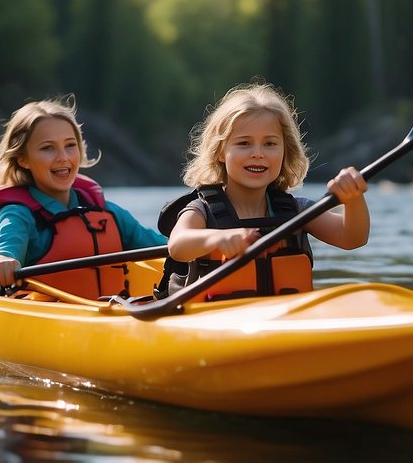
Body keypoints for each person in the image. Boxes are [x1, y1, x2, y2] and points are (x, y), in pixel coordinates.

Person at [158, 82, 369, 302]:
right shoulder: (201, 211)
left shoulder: (296, 211)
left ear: (285, 151)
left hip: (283, 322)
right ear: (221, 152)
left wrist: (354, 200)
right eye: (244, 143)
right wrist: (219, 238)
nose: (258, 153)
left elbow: (352, 237)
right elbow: (178, 245)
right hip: (214, 325)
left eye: (270, 144)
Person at [0, 96, 165, 300]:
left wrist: (195, 244)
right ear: (23, 159)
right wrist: (1, 260)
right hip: (50, 316)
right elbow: (5, 248)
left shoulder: (108, 213)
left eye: (70, 145)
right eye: (48, 148)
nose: (63, 156)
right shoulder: (17, 214)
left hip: (113, 313)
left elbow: (165, 247)